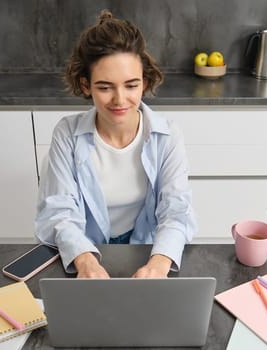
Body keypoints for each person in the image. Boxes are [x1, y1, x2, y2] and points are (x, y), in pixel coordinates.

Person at [35, 10, 196, 279]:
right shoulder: (67, 134)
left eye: (131, 85)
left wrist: (158, 264)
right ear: (86, 86)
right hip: (86, 252)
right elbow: (59, 212)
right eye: (105, 87)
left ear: (144, 82)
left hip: (148, 252)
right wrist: (86, 262)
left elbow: (176, 210)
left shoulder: (167, 136)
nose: (120, 100)